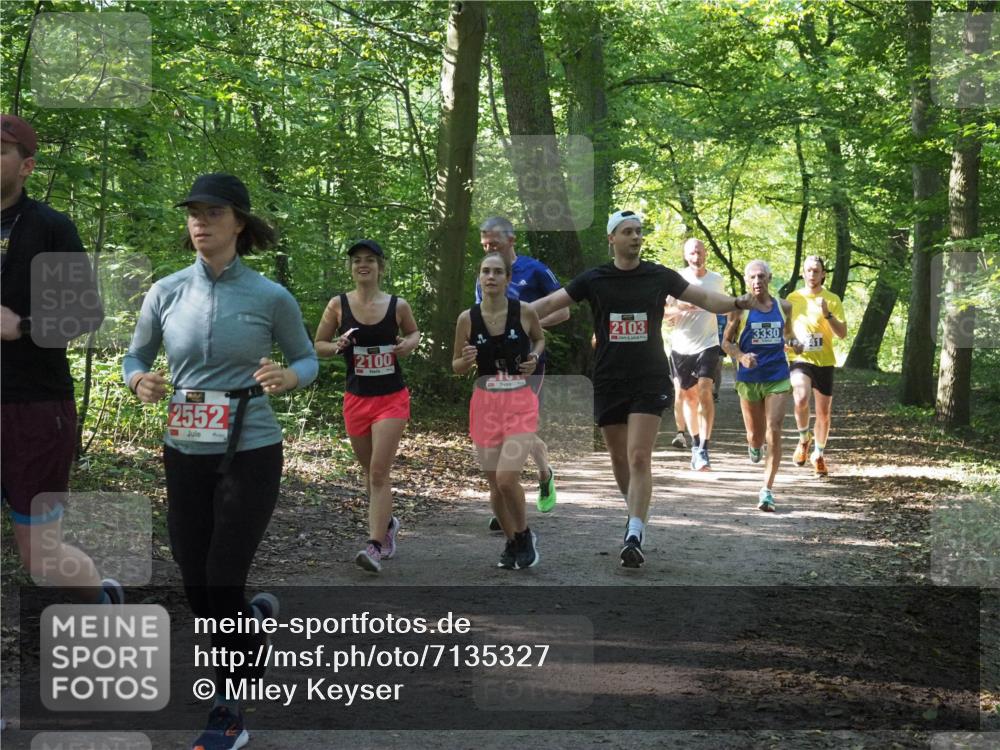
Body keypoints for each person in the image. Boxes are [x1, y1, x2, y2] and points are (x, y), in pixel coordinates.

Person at [123, 173, 318, 750]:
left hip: (251, 446)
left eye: (212, 212)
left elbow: (307, 359)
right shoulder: (165, 291)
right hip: (184, 447)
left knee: (220, 576)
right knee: (194, 579)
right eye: (193, 212)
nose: (199, 221)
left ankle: (226, 708)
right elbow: (136, 353)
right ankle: (251, 630)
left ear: (238, 222)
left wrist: (290, 376)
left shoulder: (269, 296)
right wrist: (139, 380)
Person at [532, 211, 765, 568]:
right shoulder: (595, 279)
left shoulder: (659, 276)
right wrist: (502, 315)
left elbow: (706, 300)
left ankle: (634, 532)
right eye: (628, 232)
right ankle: (634, 513)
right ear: (612, 239)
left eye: (639, 232)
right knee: (619, 457)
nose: (635, 237)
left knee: (639, 455)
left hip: (649, 377)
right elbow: (547, 305)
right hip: (609, 378)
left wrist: (737, 302)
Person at [0, 113, 122, 605]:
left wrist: (21, 327)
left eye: (1, 151)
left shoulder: (50, 228)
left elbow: (85, 315)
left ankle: (102, 607)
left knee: (42, 560)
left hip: (33, 407)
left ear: (26, 165)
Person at [314, 239, 420, 573]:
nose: (363, 265)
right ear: (351, 267)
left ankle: (374, 546)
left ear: (380, 267)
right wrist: (337, 347)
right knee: (370, 473)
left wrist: (407, 345)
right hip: (356, 398)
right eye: (357, 260)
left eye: (370, 260)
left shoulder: (397, 305)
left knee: (378, 472)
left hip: (391, 397)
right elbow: (318, 345)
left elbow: (415, 333)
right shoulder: (338, 305)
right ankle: (388, 525)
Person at [454, 252, 545, 570]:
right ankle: (513, 541)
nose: (490, 277)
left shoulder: (525, 311)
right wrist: (464, 361)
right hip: (484, 404)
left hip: (519, 401)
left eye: (497, 272)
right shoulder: (467, 318)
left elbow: (539, 340)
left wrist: (533, 357)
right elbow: (455, 366)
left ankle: (524, 534)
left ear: (508, 279)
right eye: (484, 271)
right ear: (479, 278)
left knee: (507, 479)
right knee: (494, 484)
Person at [476, 217, 567, 528]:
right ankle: (538, 475)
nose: (490, 248)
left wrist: (527, 321)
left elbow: (564, 310)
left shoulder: (536, 270)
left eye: (495, 242)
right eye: (485, 244)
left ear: (511, 239)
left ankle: (522, 487)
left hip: (529, 364)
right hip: (493, 370)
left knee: (517, 426)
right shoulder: (486, 276)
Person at [722, 260, 802, 512]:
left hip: (777, 374)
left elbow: (788, 335)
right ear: (746, 280)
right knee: (756, 436)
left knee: (774, 428)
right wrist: (742, 357)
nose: (757, 282)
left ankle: (767, 489)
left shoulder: (783, 306)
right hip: (749, 378)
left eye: (761, 277)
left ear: (770, 278)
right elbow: (726, 343)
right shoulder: (739, 309)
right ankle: (755, 446)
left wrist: (795, 343)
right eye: (752, 277)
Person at [663, 239, 725, 470]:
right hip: (681, 346)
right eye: (692, 253)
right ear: (686, 255)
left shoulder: (716, 280)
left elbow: (723, 305)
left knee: (705, 389)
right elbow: (664, 313)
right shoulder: (676, 279)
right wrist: (681, 308)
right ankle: (695, 444)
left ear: (705, 253)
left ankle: (704, 448)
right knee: (688, 397)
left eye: (699, 252)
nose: (696, 256)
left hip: (708, 343)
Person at [787, 256, 847, 477]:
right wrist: (790, 342)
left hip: (825, 360)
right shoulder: (792, 298)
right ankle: (804, 439)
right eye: (808, 270)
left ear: (823, 274)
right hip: (800, 358)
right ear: (803, 273)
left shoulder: (832, 299)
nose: (812, 274)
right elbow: (786, 329)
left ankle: (818, 454)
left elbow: (842, 334)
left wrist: (827, 314)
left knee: (823, 413)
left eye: (816, 271)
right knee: (800, 398)